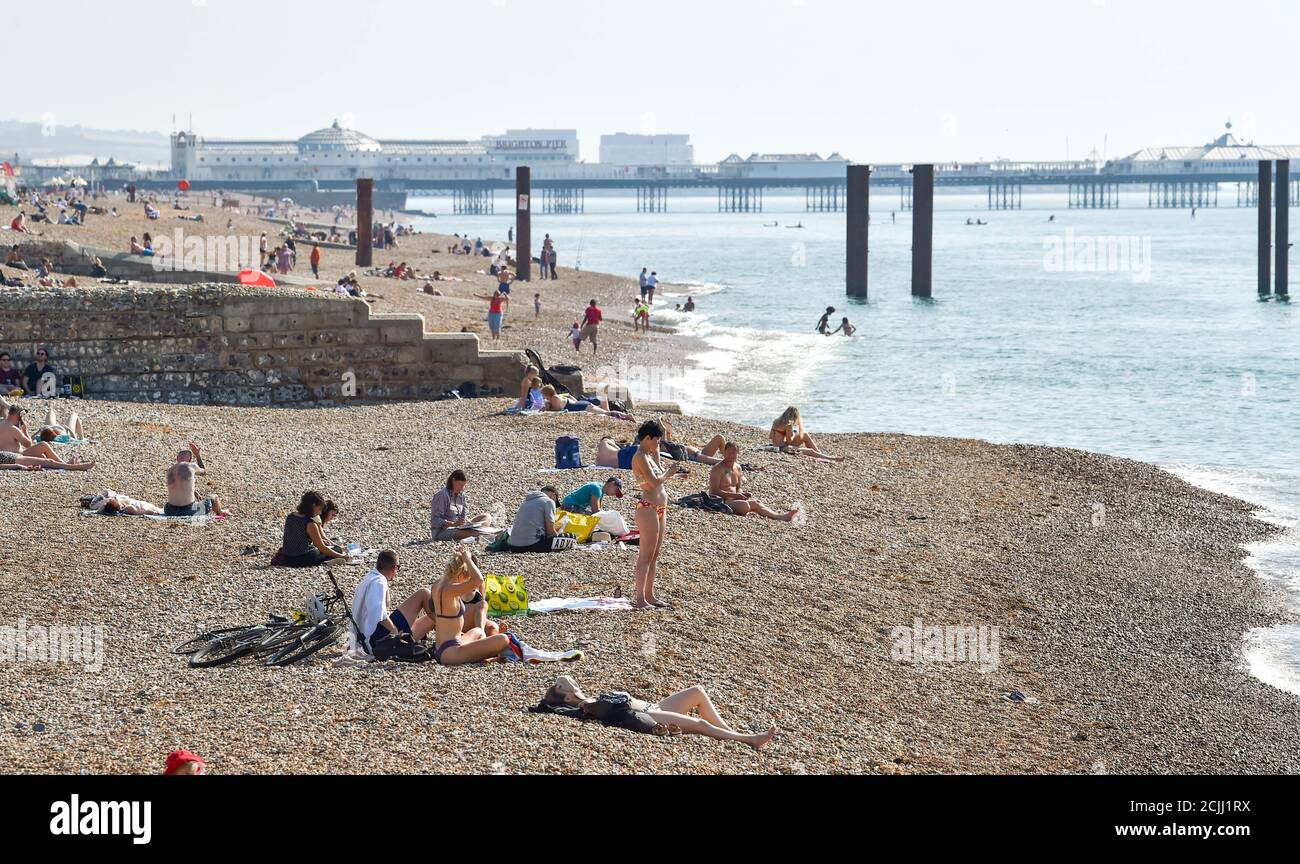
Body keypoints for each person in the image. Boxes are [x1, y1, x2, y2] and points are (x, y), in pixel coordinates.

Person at [537, 675, 776, 751]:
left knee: (697, 691)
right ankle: (748, 740)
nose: (562, 681)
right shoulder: (585, 705)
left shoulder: (587, 699)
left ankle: (730, 732)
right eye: (560, 686)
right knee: (700, 724)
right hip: (651, 716)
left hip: (655, 706)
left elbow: (565, 681)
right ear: (567, 697)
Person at [630, 420, 688, 608]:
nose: (658, 445)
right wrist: (670, 473)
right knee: (645, 555)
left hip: (660, 507)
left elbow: (660, 474)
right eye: (656, 440)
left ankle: (650, 595)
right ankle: (640, 599)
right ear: (647, 438)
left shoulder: (651, 453)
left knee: (654, 555)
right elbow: (654, 482)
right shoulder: (639, 456)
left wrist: (677, 474)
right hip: (647, 507)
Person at [428, 546, 515, 664]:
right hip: (451, 653)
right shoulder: (449, 590)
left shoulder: (437, 585)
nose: (467, 580)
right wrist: (467, 559)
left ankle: (484, 654)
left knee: (478, 631)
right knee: (504, 639)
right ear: (461, 574)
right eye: (466, 576)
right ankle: (486, 656)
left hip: (444, 647)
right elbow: (478, 580)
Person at [709, 443, 799, 521]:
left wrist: (742, 494)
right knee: (745, 506)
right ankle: (746, 510)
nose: (731, 456)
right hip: (720, 501)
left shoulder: (738, 468)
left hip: (735, 500)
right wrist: (736, 495)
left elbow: (738, 488)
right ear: (724, 452)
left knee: (756, 503)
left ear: (737, 453)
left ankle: (780, 517)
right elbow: (714, 492)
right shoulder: (718, 469)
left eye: (734, 453)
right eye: (729, 453)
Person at [276, 491, 347, 566]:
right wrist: (342, 556)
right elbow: (322, 547)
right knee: (336, 549)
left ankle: (329, 560)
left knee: (319, 547)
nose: (320, 513)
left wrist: (321, 541)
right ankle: (326, 562)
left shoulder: (290, 516)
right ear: (313, 506)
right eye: (320, 509)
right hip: (301, 559)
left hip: (287, 557)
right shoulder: (310, 524)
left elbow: (297, 538)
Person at [430, 469, 495, 541]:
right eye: (460, 485)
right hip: (442, 531)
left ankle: (479, 532)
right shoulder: (442, 495)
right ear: (453, 481)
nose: (462, 488)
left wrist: (464, 523)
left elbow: (463, 515)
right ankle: (480, 533)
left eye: (463, 485)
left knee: (486, 516)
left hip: (459, 526)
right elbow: (435, 520)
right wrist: (453, 524)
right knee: (475, 532)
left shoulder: (461, 495)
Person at [770, 406, 842, 462]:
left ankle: (820, 454)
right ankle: (832, 458)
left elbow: (771, 437)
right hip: (783, 448)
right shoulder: (788, 425)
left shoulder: (776, 421)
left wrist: (782, 436)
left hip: (776, 446)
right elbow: (789, 441)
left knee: (805, 435)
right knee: (810, 451)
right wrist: (793, 435)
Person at [164, 453, 226, 518]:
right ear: (190, 459)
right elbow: (204, 472)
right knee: (214, 497)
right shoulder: (192, 466)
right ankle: (220, 513)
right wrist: (197, 455)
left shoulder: (170, 469)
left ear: (177, 458)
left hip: (169, 511)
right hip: (189, 511)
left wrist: (194, 491)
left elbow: (180, 485)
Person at [507, 486, 561, 553]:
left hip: (513, 547)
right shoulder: (549, 501)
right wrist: (559, 536)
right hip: (532, 546)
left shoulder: (527, 501)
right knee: (568, 539)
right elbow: (550, 531)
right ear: (554, 496)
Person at [540, 384, 633, 420]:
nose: (543, 397)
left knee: (607, 413)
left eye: (543, 395)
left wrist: (547, 408)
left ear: (547, 394)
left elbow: (557, 410)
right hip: (582, 404)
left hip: (584, 407)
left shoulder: (555, 398)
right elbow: (570, 397)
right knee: (605, 409)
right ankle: (603, 394)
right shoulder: (558, 397)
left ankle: (627, 416)